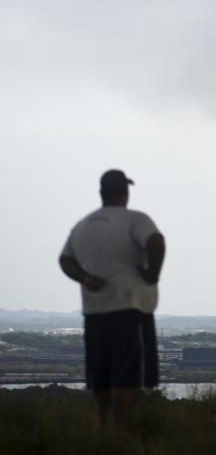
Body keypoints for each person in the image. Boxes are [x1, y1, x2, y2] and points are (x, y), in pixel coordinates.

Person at [58, 169, 166, 432]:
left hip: (94, 311)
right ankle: (121, 432)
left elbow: (65, 259)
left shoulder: (82, 225)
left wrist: (85, 278)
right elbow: (156, 241)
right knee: (126, 375)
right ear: (125, 193)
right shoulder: (135, 220)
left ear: (101, 193)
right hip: (130, 308)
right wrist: (152, 274)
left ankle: (104, 426)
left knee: (100, 376)